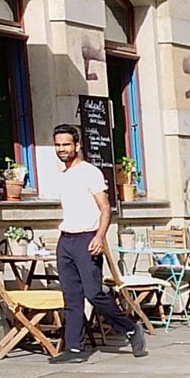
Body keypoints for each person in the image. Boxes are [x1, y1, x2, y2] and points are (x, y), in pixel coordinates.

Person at [47, 124, 144, 364]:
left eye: (66, 144)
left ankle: (130, 328)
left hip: (87, 239)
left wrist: (100, 237)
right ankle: (74, 349)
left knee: (93, 293)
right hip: (66, 240)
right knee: (71, 297)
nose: (62, 149)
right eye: (58, 145)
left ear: (77, 146)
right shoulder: (61, 176)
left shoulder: (89, 172)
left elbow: (105, 208)